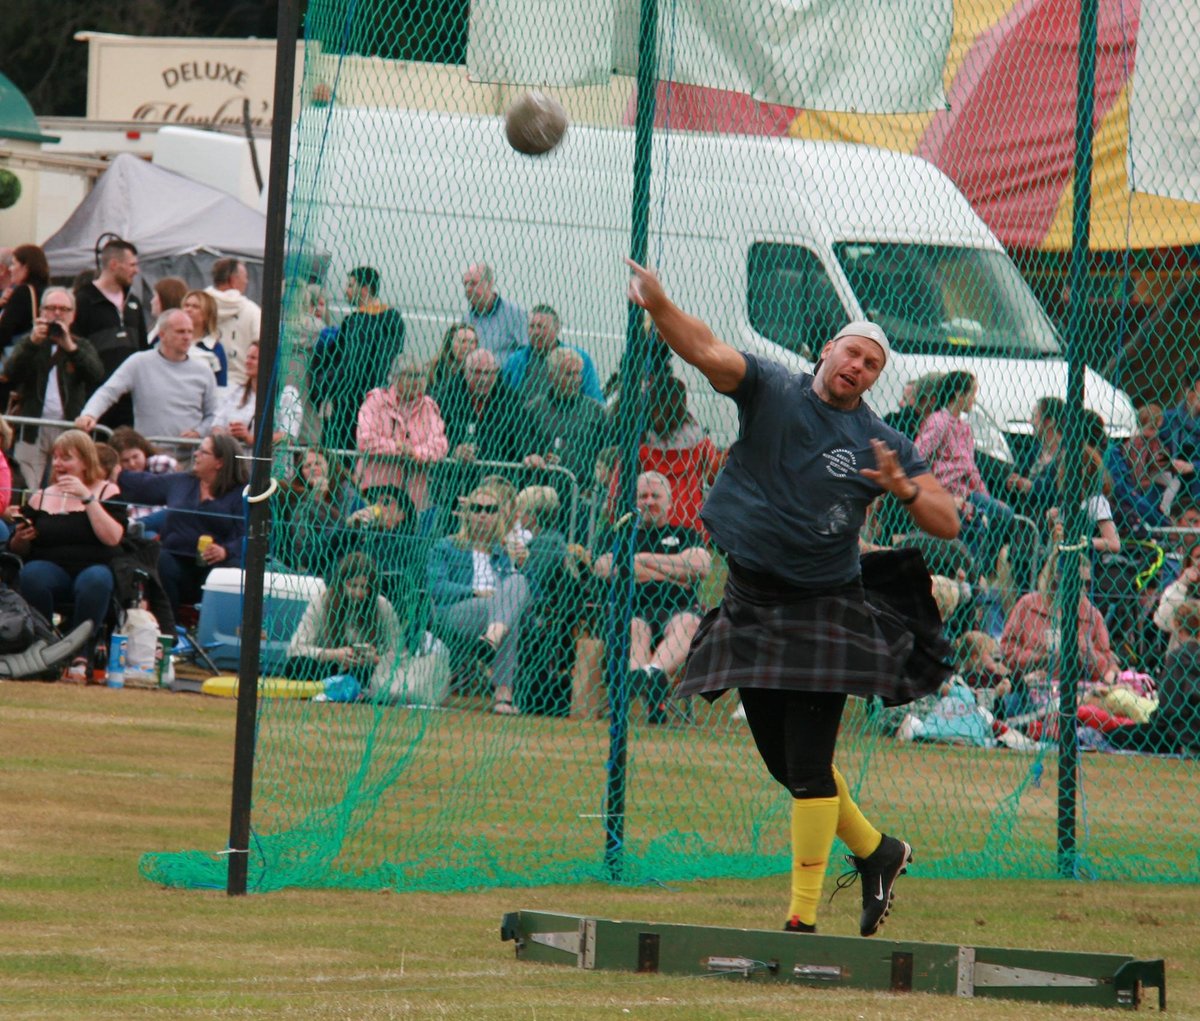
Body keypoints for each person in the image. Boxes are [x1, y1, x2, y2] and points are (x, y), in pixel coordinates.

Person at [625, 257, 959, 937]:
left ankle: (800, 919)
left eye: (872, 363)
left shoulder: (881, 440)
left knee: (809, 767)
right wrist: (660, 306)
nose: (859, 367)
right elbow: (705, 347)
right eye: (852, 353)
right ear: (827, 349)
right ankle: (879, 851)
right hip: (749, 597)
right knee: (786, 764)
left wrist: (904, 489)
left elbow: (945, 517)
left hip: (824, 606)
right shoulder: (771, 388)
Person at [7, 430, 127, 682]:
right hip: (52, 568)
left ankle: (80, 651)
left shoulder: (107, 491)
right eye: (56, 457)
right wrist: (20, 538)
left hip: (94, 566)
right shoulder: (41, 496)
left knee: (95, 579)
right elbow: (19, 551)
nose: (59, 464)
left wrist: (87, 498)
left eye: (67, 458)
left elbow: (113, 538)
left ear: (85, 461)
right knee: (33, 573)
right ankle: (45, 645)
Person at [593, 472, 712, 724]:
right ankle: (652, 681)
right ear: (633, 501)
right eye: (642, 496)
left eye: (655, 496)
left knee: (689, 624)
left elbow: (701, 565)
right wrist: (676, 571)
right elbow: (605, 567)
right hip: (632, 610)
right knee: (634, 627)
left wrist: (640, 561)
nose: (648, 501)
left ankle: (648, 674)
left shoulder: (685, 534)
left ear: (670, 502)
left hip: (679, 610)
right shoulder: (619, 534)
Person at [287, 551, 450, 705]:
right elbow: (296, 649)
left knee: (364, 675)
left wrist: (375, 658)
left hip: (366, 671)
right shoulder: (322, 602)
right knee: (296, 665)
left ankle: (354, 689)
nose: (358, 593)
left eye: (364, 587)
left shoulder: (382, 606)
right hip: (330, 666)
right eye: (352, 585)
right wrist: (335, 654)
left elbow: (400, 654)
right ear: (341, 583)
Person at [426, 476, 531, 715]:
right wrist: (474, 591)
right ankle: (503, 694)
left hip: (497, 616)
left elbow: (528, 593)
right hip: (457, 611)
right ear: (467, 514)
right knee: (505, 615)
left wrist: (524, 563)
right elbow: (435, 587)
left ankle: (492, 639)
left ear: (499, 516)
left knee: (517, 583)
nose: (483, 515)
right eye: (476, 508)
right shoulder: (447, 546)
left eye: (490, 510)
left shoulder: (506, 550)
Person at [114, 433, 247, 613]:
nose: (195, 455)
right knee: (159, 559)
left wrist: (226, 550)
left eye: (203, 452)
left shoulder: (241, 493)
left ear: (219, 462)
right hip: (175, 559)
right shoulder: (183, 481)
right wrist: (112, 471)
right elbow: (143, 485)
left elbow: (249, 535)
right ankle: (170, 630)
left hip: (216, 566)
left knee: (229, 570)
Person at [2, 287, 105, 490]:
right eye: (51, 308)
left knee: (64, 485)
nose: (57, 314)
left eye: (64, 309)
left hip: (67, 427)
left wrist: (70, 347)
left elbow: (96, 374)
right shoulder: (29, 342)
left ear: (73, 315)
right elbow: (9, 375)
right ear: (41, 312)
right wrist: (32, 343)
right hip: (32, 426)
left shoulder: (80, 345)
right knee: (27, 485)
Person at [915, 371, 1014, 579]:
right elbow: (919, 455)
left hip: (967, 492)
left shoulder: (964, 428)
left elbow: (971, 469)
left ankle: (978, 571)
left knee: (1001, 513)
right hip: (945, 491)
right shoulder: (939, 422)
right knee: (998, 516)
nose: (973, 399)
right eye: (972, 393)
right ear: (959, 394)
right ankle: (979, 573)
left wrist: (986, 495)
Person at [75, 309, 218, 446]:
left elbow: (214, 414)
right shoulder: (139, 362)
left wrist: (198, 433)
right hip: (148, 454)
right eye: (180, 332)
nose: (187, 337)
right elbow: (108, 391)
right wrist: (89, 415)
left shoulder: (204, 370)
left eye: (190, 332)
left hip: (190, 457)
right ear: (162, 335)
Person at [309, 265, 407, 451]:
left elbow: (349, 366)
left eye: (350, 285)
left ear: (364, 289)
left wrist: (321, 384)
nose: (346, 291)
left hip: (351, 403)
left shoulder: (356, 322)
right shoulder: (394, 319)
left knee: (341, 451)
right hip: (383, 401)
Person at [356, 354, 448, 513]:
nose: (417, 381)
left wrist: (415, 453)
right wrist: (398, 448)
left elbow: (440, 444)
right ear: (396, 377)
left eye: (420, 375)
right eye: (410, 375)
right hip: (377, 486)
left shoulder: (428, 406)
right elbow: (365, 440)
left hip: (414, 493)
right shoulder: (376, 400)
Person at [71, 239, 148, 429]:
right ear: (114, 264)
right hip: (95, 399)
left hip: (129, 401)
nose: (136, 271)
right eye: (132, 265)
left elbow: (143, 348)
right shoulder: (83, 301)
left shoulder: (134, 303)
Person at [521, 348, 609, 490]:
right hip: (545, 492)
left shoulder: (595, 412)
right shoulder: (533, 410)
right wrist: (539, 458)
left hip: (584, 493)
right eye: (569, 374)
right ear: (552, 375)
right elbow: (526, 449)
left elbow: (606, 454)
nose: (575, 380)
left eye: (578, 374)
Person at [280, 448, 366, 574]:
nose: (313, 468)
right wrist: (316, 499)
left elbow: (350, 533)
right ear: (301, 472)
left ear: (329, 466)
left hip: (345, 559)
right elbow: (303, 547)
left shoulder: (349, 494)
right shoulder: (294, 497)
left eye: (318, 463)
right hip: (310, 562)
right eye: (307, 466)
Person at [502, 304, 604, 401]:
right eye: (532, 326)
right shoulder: (515, 361)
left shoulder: (578, 358)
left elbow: (594, 397)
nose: (536, 332)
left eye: (541, 327)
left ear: (556, 328)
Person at [210, 342, 303, 446]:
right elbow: (216, 427)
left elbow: (288, 436)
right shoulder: (235, 392)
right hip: (237, 460)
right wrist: (228, 434)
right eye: (247, 357)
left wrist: (251, 439)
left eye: (253, 358)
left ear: (268, 362)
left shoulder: (287, 394)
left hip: (273, 461)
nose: (247, 362)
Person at [204, 257, 261, 387]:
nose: (247, 281)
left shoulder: (198, 306)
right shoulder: (253, 311)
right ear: (234, 280)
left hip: (205, 384)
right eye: (245, 277)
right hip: (242, 386)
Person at [462, 262, 527, 363]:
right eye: (465, 284)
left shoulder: (514, 314)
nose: (468, 289)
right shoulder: (466, 320)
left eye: (473, 283)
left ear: (489, 283)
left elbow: (527, 351)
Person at [0, 243, 50, 353]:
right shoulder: (49, 291)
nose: (10, 269)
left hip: (19, 355)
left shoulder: (23, 292)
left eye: (13, 264)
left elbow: (4, 331)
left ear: (25, 267)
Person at [180, 289, 228, 387]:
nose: (188, 309)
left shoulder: (215, 348)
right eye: (186, 305)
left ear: (207, 314)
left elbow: (220, 385)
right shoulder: (171, 340)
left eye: (195, 307)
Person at [147, 277, 188, 343]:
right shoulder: (155, 327)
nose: (152, 301)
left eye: (155, 296)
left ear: (165, 298)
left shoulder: (174, 329)